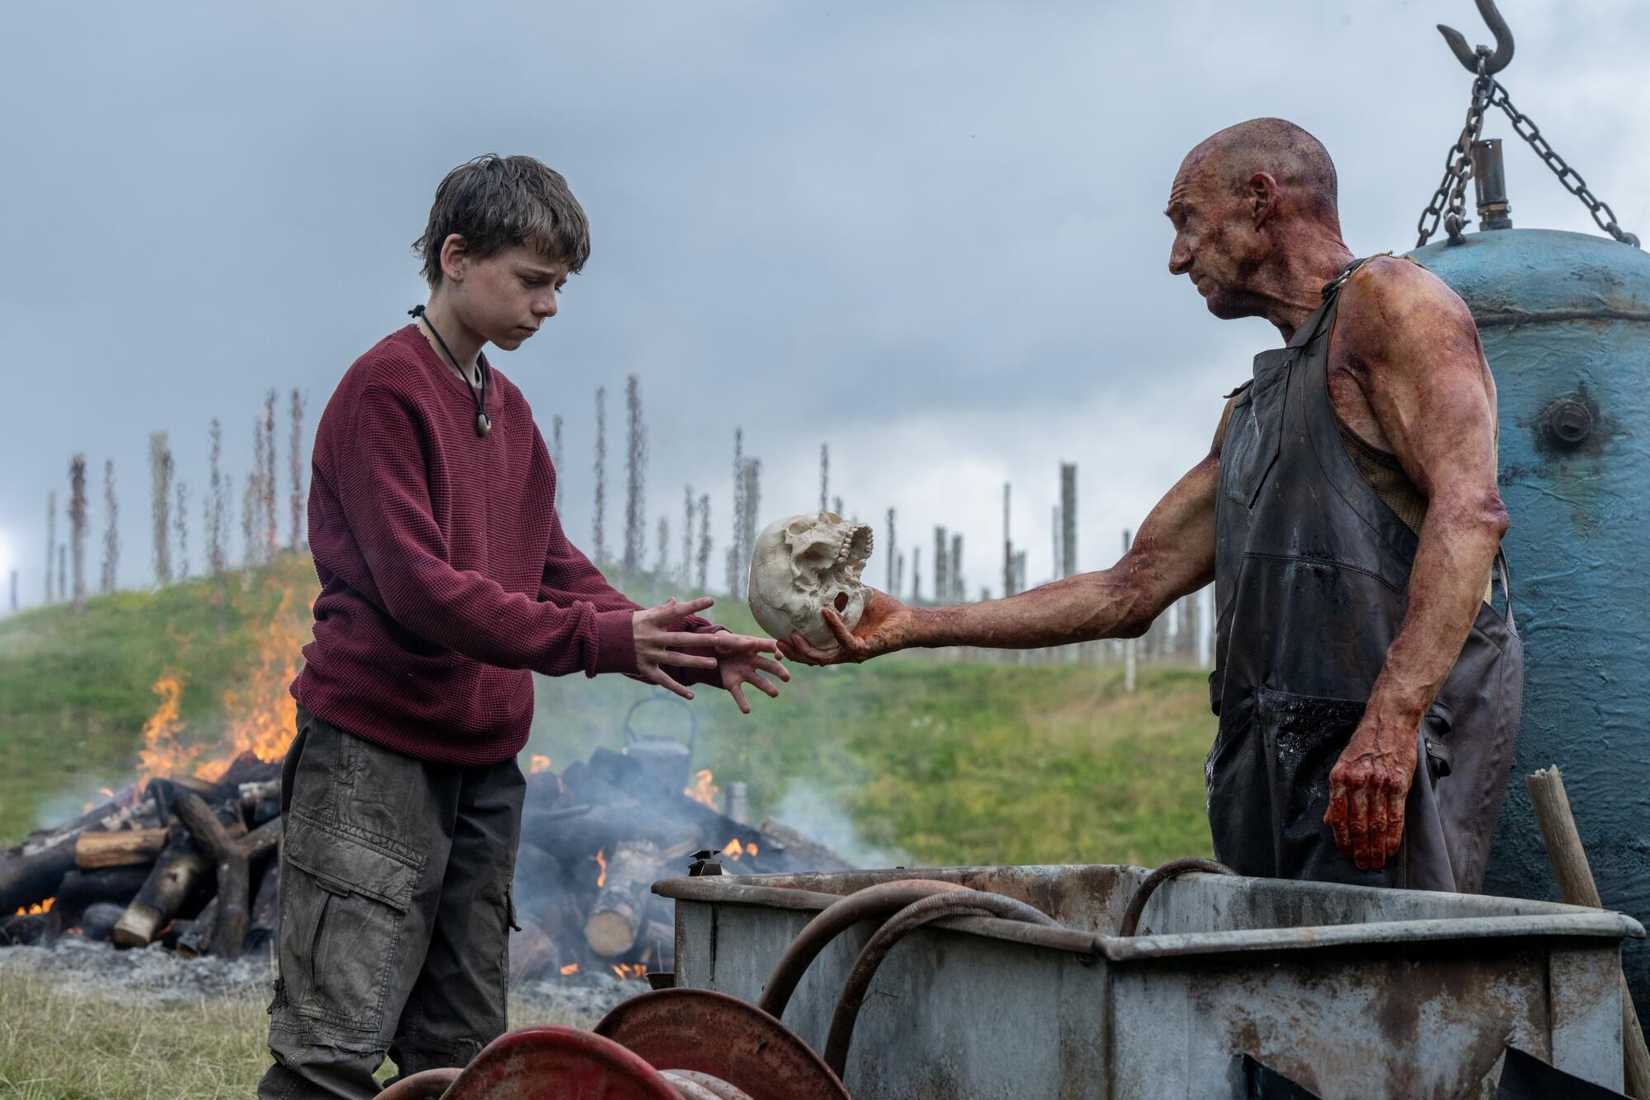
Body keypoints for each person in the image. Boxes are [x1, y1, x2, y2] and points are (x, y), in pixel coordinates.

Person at [783, 118, 1521, 895]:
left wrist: (1391, 724)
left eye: (1188, 224)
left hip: (1382, 773)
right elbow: (1126, 590)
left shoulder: (1395, 301)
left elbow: (1469, 514)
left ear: (1261, 201)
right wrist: (915, 627)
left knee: (1397, 996)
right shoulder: (1251, 411)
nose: (1177, 259)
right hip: (1278, 781)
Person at [259, 154, 786, 1099]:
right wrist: (601, 642)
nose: (549, 306)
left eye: (561, 287)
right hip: (372, 758)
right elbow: (421, 589)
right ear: (456, 257)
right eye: (533, 280)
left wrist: (686, 649)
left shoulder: (507, 407)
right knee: (328, 1053)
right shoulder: (382, 391)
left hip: (482, 769)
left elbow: (549, 565)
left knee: (461, 1055)